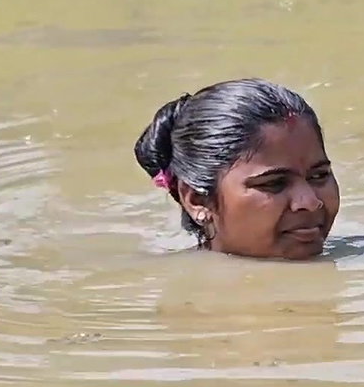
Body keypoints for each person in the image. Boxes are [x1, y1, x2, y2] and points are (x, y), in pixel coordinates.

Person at [134, 78, 340, 261]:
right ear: (197, 200)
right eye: (274, 183)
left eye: (319, 176)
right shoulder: (185, 299)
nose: (311, 202)